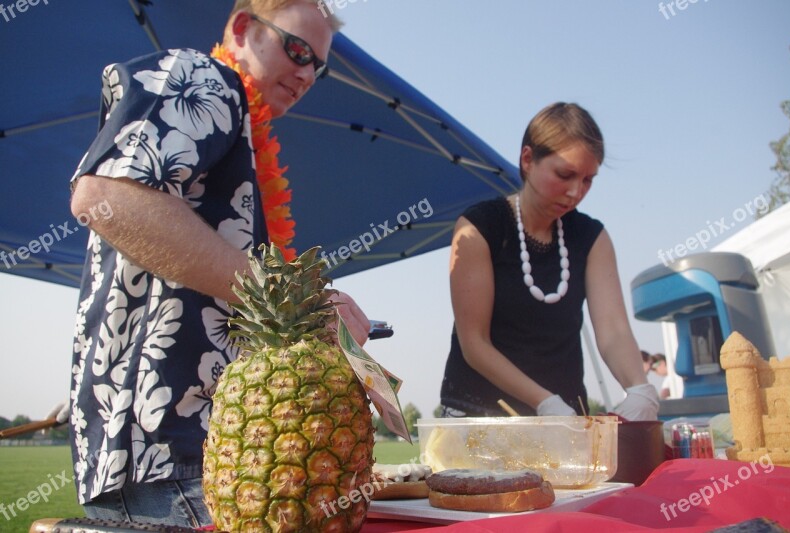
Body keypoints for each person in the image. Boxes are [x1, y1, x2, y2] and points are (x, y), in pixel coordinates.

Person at [65, 1, 368, 527]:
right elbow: (104, 195)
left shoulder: (245, 130)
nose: (305, 74)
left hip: (202, 451)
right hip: (172, 450)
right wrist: (294, 300)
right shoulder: (208, 79)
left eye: (318, 67)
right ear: (244, 28)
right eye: (297, 49)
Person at [439, 102, 659, 420]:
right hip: (480, 415)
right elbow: (474, 343)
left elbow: (613, 331)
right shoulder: (479, 228)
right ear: (528, 159)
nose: (575, 192)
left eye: (588, 180)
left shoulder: (591, 237)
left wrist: (639, 387)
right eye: (565, 174)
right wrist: (545, 402)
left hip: (566, 417)